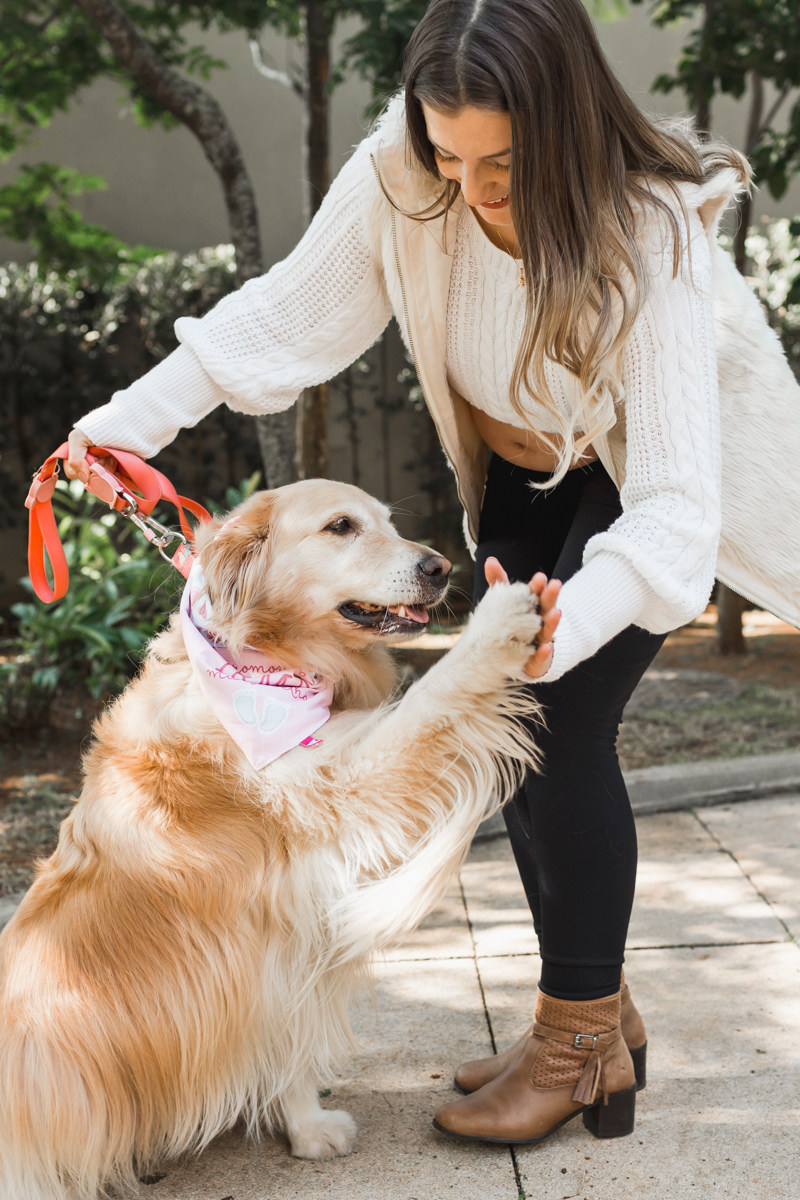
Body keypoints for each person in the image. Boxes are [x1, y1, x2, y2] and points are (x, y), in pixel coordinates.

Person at [65, 0, 800, 1149]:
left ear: (560, 126)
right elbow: (288, 317)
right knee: (504, 738)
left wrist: (576, 615)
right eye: (446, 153)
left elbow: (668, 507)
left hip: (644, 470)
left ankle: (577, 1047)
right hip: (515, 463)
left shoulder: (646, 225)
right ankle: (592, 1006)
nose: (468, 185)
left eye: (500, 161)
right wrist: (121, 424)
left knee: (553, 715)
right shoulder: (404, 172)